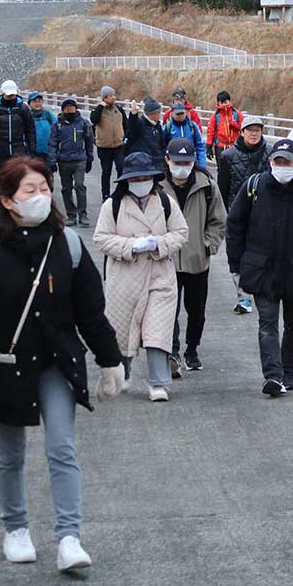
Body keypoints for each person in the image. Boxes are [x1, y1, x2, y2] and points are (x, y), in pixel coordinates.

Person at [0, 156, 125, 572]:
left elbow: (92, 314)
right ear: (8, 200)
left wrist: (110, 361)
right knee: (9, 453)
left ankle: (69, 538)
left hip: (56, 363)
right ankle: (16, 528)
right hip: (3, 366)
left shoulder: (68, 246)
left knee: (62, 447)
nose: (40, 196)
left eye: (45, 188)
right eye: (30, 190)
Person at [226, 138, 293, 396]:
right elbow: (235, 224)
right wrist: (235, 264)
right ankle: (272, 376)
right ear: (270, 163)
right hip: (262, 269)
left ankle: (288, 372)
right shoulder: (254, 186)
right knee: (268, 323)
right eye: (278, 161)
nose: (282, 166)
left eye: (288, 161)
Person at [93, 152, 189, 402]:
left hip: (160, 277)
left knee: (157, 331)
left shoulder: (165, 202)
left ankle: (158, 383)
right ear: (127, 180)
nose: (141, 182)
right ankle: (123, 374)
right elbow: (101, 238)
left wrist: (157, 243)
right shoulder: (112, 206)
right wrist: (131, 246)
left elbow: (181, 232)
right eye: (136, 178)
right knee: (122, 330)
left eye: (146, 177)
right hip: (124, 279)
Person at [159, 138, 226, 374]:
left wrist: (208, 245)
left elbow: (218, 220)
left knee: (196, 310)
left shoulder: (206, 185)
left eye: (187, 162)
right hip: (166, 261)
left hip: (198, 260)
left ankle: (192, 350)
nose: (182, 166)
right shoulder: (157, 187)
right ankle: (173, 352)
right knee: (169, 310)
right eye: (177, 161)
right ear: (167, 160)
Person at [217, 115, 269, 315]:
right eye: (250, 130)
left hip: (266, 214)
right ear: (242, 132)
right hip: (238, 214)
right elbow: (223, 188)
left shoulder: (271, 154)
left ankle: (262, 290)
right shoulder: (228, 156)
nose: (254, 134)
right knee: (238, 255)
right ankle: (243, 297)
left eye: (257, 130)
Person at [48, 97, 95, 227]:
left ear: (76, 108)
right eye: (67, 107)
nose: (70, 109)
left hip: (80, 159)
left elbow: (89, 142)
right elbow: (52, 144)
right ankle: (71, 214)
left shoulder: (84, 123)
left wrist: (90, 158)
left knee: (79, 185)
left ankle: (83, 214)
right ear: (63, 109)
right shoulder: (57, 125)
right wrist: (52, 160)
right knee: (66, 188)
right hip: (63, 160)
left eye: (72, 106)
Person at [0, 80, 35, 176]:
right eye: (9, 95)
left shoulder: (24, 109)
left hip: (20, 152)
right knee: (4, 182)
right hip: (0, 153)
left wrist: (32, 152)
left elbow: (31, 131)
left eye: (13, 95)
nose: (11, 97)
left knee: (19, 181)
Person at [90, 85, 128, 200]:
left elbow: (126, 124)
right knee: (106, 172)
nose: (113, 98)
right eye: (110, 96)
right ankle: (105, 194)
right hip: (104, 147)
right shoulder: (97, 110)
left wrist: (124, 137)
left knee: (121, 168)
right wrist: (101, 107)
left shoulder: (119, 109)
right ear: (104, 98)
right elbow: (94, 120)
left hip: (118, 146)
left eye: (113, 95)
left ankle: (121, 192)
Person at [124, 96, 168, 171]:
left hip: (158, 162)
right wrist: (133, 114)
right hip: (143, 163)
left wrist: (164, 156)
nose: (160, 114)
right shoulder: (141, 124)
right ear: (153, 113)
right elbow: (132, 128)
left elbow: (162, 143)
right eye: (159, 112)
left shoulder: (157, 126)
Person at [163, 102, 207, 168]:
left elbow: (200, 145)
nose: (180, 116)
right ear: (172, 114)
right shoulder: (167, 128)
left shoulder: (192, 126)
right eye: (177, 114)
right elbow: (162, 146)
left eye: (182, 113)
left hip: (190, 162)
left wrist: (202, 164)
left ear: (186, 112)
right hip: (173, 163)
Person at [208, 90, 242, 164]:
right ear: (218, 103)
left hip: (235, 146)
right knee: (221, 170)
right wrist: (209, 147)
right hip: (220, 146)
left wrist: (234, 125)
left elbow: (243, 129)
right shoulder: (215, 116)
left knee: (236, 169)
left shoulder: (236, 114)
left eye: (225, 102)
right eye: (222, 102)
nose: (224, 104)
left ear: (229, 101)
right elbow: (210, 132)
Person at [27, 92, 57, 169]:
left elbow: (57, 130)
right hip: (31, 154)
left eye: (39, 101)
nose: (37, 104)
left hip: (47, 154)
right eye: (34, 101)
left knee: (47, 179)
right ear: (29, 103)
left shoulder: (48, 115)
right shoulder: (26, 116)